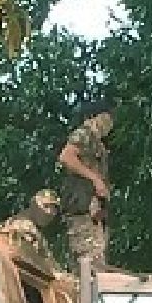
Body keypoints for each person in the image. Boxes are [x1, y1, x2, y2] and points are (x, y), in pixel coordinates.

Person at [57, 100, 114, 268]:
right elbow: (66, 157)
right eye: (106, 118)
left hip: (93, 213)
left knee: (97, 262)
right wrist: (95, 179)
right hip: (82, 210)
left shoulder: (98, 143)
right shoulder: (83, 134)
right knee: (89, 265)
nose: (109, 123)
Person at [0, 188, 61, 256]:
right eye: (45, 206)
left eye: (54, 209)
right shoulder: (24, 226)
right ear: (33, 205)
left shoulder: (20, 223)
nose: (49, 212)